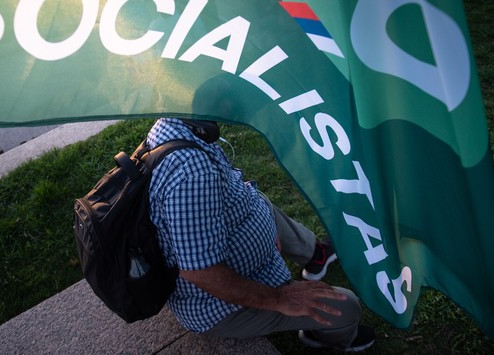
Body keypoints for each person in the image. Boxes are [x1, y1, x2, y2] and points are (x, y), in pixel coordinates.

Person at [146, 118, 375, 351]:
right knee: (346, 309)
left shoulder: (177, 127)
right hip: (219, 305)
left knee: (261, 204)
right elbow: (201, 272)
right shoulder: (191, 172)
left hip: (237, 249)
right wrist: (280, 299)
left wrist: (261, 219)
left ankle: (317, 255)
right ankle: (322, 336)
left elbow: (232, 193)